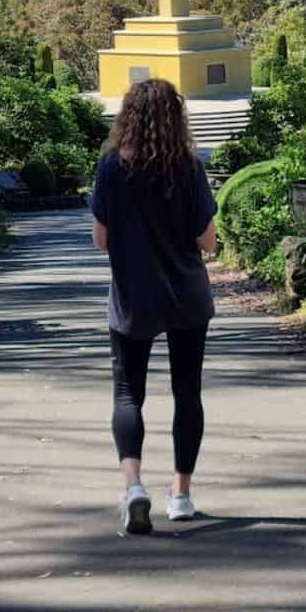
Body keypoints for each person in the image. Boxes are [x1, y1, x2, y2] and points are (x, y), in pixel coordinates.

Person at [90, 78, 217, 536]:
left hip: (132, 297)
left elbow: (100, 241)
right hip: (186, 294)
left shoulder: (109, 167)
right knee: (188, 393)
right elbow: (208, 239)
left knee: (128, 395)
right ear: (175, 118)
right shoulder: (188, 166)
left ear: (127, 116)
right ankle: (180, 495)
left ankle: (134, 488)